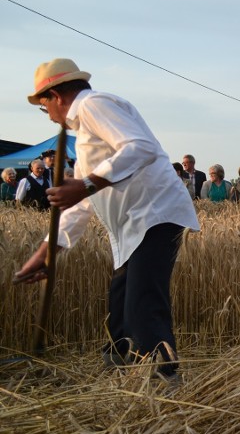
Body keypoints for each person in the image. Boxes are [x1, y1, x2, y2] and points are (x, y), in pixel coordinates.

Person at [16, 58, 199, 380]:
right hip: (133, 228)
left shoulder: (93, 104)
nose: (50, 118)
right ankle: (120, 375)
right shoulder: (86, 137)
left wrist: (86, 184)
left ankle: (164, 383)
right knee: (121, 311)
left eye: (44, 108)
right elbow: (81, 206)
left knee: (142, 305)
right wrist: (44, 256)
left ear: (56, 96)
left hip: (154, 217)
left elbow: (140, 147)